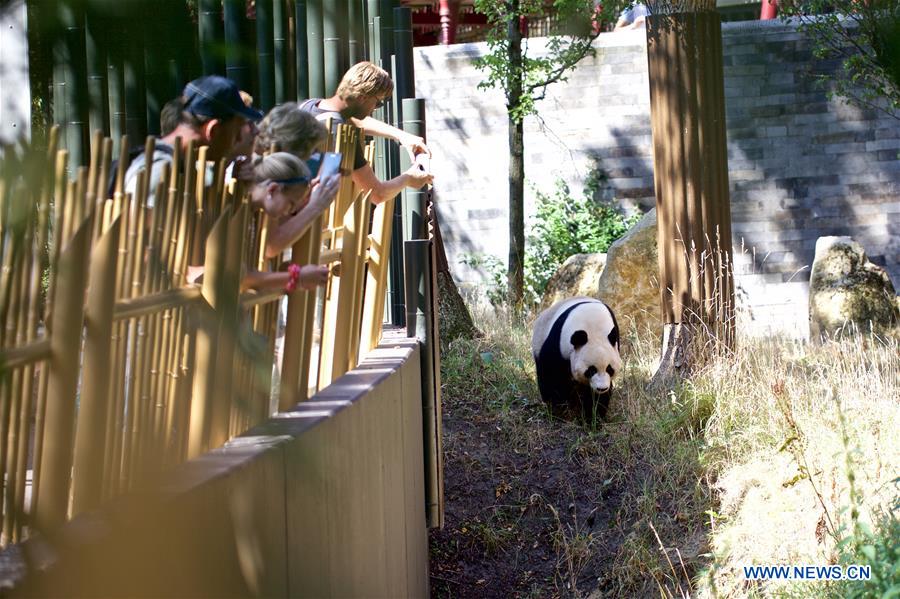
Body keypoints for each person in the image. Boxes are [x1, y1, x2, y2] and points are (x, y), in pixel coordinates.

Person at [298, 61, 433, 205]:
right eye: (378, 102)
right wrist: (409, 178)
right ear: (363, 98)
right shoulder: (342, 135)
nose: (376, 108)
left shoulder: (308, 106)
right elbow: (377, 194)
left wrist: (402, 136)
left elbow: (355, 120)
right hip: (310, 220)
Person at [124, 75, 263, 208]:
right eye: (236, 131)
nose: (238, 139)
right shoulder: (160, 170)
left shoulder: (184, 167)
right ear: (212, 130)